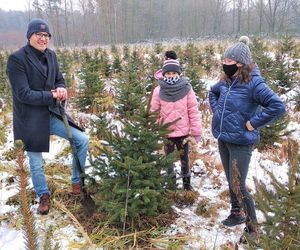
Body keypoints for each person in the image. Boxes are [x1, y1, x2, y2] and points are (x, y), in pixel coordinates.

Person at [6, 18, 89, 215]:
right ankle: (43, 195)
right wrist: (51, 95)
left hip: (52, 113)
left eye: (46, 36)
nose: (43, 39)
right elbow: (23, 94)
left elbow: (58, 78)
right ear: (30, 36)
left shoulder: (51, 56)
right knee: (36, 162)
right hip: (30, 119)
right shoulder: (17, 59)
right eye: (39, 35)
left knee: (82, 140)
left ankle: (77, 183)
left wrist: (61, 87)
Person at [208, 36, 285, 241]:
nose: (224, 65)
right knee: (230, 181)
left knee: (239, 184)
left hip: (241, 142)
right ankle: (236, 213)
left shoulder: (254, 83)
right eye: (223, 61)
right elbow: (212, 92)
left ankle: (252, 230)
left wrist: (253, 123)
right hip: (223, 138)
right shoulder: (226, 81)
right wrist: (216, 111)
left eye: (228, 62)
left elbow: (277, 106)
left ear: (240, 64)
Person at [150, 58, 202, 190]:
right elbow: (154, 111)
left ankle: (187, 186)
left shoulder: (187, 89)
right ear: (164, 74)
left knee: (184, 159)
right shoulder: (158, 90)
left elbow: (193, 111)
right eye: (168, 73)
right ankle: (171, 185)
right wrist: (156, 129)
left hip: (183, 133)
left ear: (179, 73)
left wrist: (196, 132)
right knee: (168, 161)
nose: (171, 76)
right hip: (166, 133)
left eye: (174, 73)